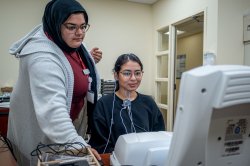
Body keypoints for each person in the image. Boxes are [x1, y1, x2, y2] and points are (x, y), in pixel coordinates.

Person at [7, 0, 102, 165]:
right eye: (71, 27)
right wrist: (79, 145)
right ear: (55, 25)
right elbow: (53, 113)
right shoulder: (40, 57)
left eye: (83, 26)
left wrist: (89, 62)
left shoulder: (70, 43)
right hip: (42, 130)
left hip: (68, 126)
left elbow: (70, 69)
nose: (79, 32)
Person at [89, 53, 165, 154]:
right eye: (127, 73)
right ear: (116, 75)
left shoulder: (149, 103)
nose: (133, 78)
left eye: (137, 73)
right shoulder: (104, 104)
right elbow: (100, 144)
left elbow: (159, 137)